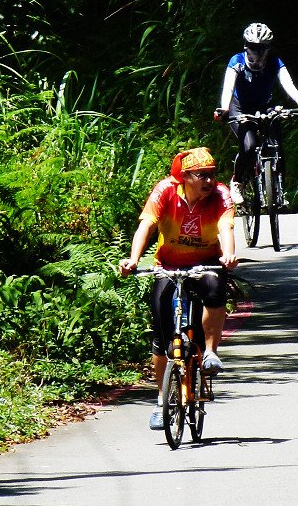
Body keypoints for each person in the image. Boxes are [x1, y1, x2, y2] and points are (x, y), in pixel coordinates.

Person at [118, 147, 238, 431]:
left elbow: (226, 228)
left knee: (214, 291)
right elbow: (146, 226)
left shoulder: (221, 195)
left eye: (212, 175)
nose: (209, 181)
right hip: (168, 265)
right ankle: (161, 401)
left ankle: (210, 352)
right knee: (161, 335)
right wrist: (133, 260)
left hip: (207, 262)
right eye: (202, 176)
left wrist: (229, 255)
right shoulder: (165, 191)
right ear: (185, 177)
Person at [213, 22, 298, 204]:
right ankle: (237, 181)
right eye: (253, 47)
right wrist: (224, 109)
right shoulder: (236, 62)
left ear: (268, 48)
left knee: (276, 143)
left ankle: (278, 184)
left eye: (262, 47)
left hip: (263, 105)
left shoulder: (275, 62)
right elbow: (227, 87)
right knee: (250, 146)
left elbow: (287, 83)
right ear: (246, 46)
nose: (257, 52)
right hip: (239, 107)